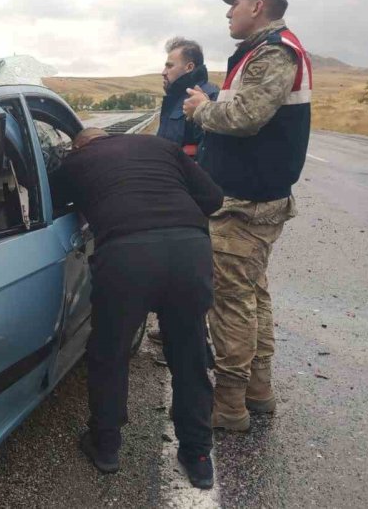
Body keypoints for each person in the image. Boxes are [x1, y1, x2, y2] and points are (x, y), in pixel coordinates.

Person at [55, 128, 223, 489]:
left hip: (127, 255)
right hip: (189, 251)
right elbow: (213, 199)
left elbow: (51, 206)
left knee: (109, 352)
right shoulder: (161, 146)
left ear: (80, 146)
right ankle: (197, 456)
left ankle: (106, 446)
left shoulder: (77, 161)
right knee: (190, 353)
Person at [182, 0, 312, 431]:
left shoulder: (273, 52)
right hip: (250, 198)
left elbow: (248, 116)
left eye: (234, 4)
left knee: (232, 299)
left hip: (245, 205)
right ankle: (258, 390)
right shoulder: (264, 52)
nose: (228, 12)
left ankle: (230, 405)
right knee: (253, 293)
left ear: (257, 5)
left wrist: (202, 109)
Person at [157, 37, 219, 157]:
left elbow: (212, 149)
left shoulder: (209, 96)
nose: (163, 72)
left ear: (189, 67)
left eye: (169, 66)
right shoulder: (175, 97)